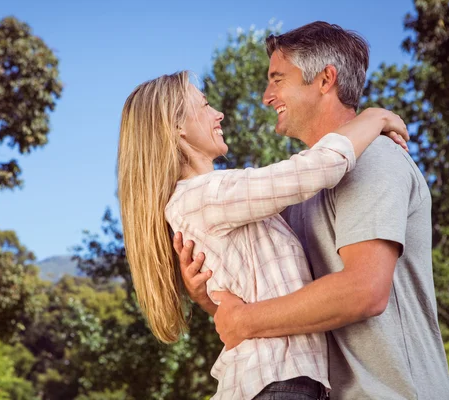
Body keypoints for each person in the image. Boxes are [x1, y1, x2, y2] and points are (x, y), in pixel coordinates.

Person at [175, 22, 449, 399]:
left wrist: (245, 320)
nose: (266, 96)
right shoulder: (301, 192)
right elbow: (274, 306)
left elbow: (364, 291)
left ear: (325, 80)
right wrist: (209, 298)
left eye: (277, 80)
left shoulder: (373, 158)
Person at [117, 69, 409, 399]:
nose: (218, 113)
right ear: (177, 127)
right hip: (276, 385)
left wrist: (207, 300)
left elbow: (245, 302)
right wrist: (375, 116)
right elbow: (317, 168)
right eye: (205, 105)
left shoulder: (205, 201)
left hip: (282, 384)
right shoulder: (203, 196)